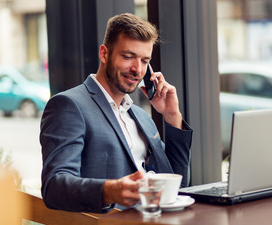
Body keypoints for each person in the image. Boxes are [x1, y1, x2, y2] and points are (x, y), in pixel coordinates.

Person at [40, 13, 193, 213]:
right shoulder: (69, 105)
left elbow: (178, 184)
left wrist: (172, 117)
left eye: (145, 61)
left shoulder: (140, 116)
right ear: (104, 54)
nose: (137, 70)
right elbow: (54, 187)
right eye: (128, 57)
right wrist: (109, 191)